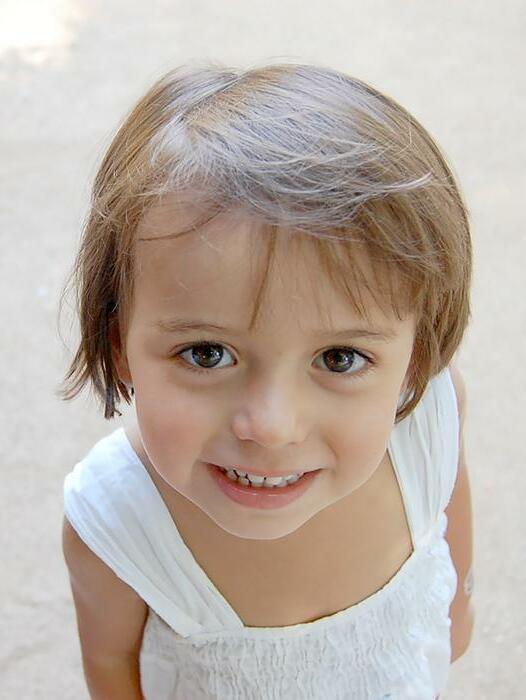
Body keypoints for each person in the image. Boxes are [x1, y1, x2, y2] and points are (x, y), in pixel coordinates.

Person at [59, 61, 475, 699]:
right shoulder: (117, 518)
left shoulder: (428, 422)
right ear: (120, 349)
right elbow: (112, 665)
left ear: (415, 359)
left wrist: (460, 610)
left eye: (339, 358)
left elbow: (452, 547)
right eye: (206, 354)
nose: (272, 426)